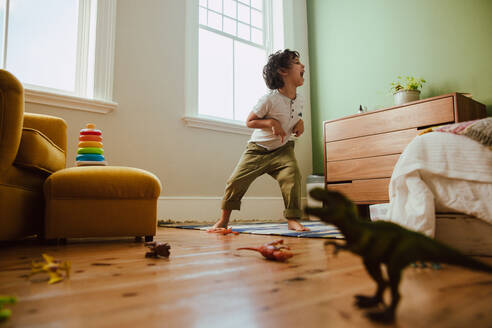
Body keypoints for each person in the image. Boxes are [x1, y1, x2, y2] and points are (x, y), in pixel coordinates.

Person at [212, 49, 309, 232]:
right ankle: (223, 220)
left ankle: (293, 219)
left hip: (283, 150)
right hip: (258, 150)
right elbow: (250, 121)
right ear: (283, 70)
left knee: (292, 177)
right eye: (297, 63)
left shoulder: (300, 99)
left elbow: (296, 117)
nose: (302, 65)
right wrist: (271, 122)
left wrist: (300, 123)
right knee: (235, 181)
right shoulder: (269, 99)